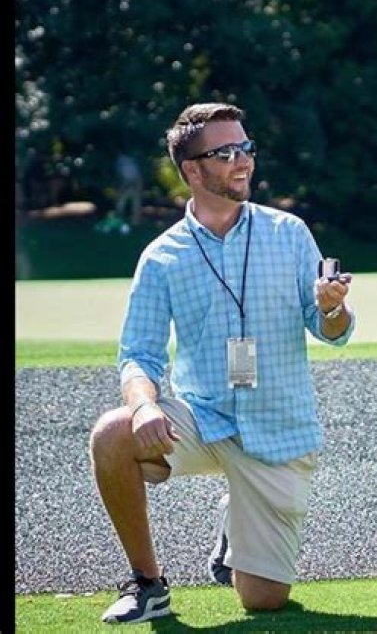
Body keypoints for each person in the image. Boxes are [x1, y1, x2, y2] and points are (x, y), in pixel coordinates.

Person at [89, 102, 355, 625]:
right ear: (192, 170)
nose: (243, 161)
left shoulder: (289, 232)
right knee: (112, 434)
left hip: (279, 431)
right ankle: (147, 584)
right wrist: (144, 407)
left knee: (264, 600)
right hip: (203, 419)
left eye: (246, 148)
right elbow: (137, 356)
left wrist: (332, 308)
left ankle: (235, 531)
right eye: (227, 152)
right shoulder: (162, 256)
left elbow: (333, 333)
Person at [114, 153, 143, 227]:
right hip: (129, 185)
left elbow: (135, 176)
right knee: (121, 203)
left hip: (133, 185)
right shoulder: (123, 162)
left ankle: (135, 222)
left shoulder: (126, 162)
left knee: (134, 204)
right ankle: (120, 220)